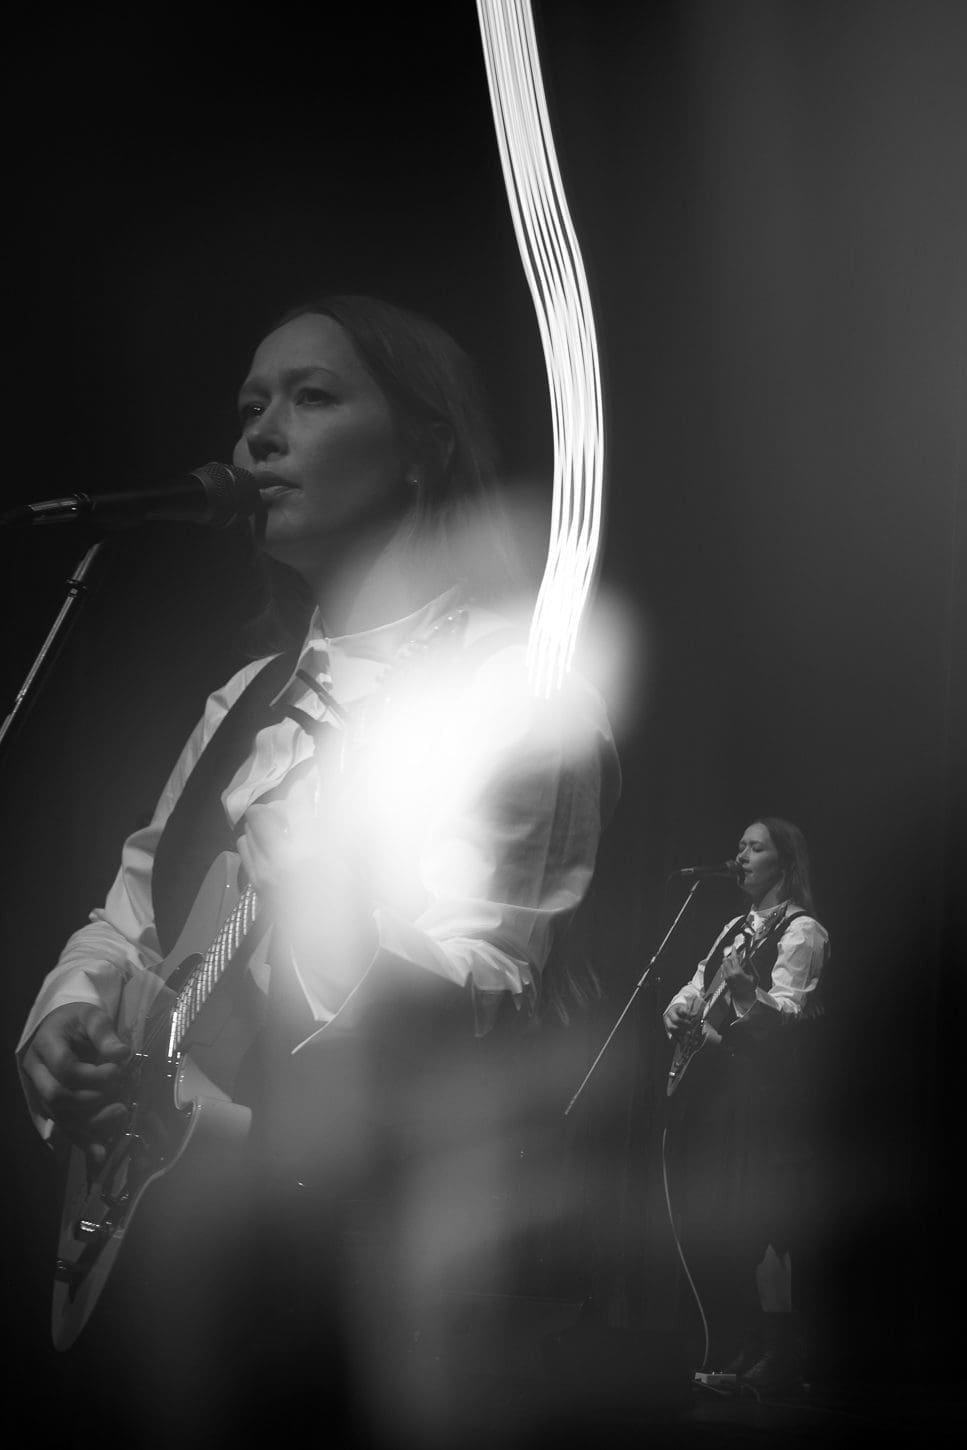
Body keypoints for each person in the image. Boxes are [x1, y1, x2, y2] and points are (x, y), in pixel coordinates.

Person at [17, 295, 619, 1448]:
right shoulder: (240, 701)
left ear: (423, 447)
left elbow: (484, 990)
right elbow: (129, 915)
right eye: (249, 405)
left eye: (313, 395)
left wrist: (319, 913)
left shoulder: (506, 690)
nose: (258, 434)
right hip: (202, 1278)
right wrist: (66, 1021)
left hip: (379, 1293)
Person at [662, 816, 829, 1391]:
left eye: (755, 848)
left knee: (767, 1226)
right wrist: (681, 1009)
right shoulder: (734, 926)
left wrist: (741, 993)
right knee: (732, 1221)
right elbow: (697, 981)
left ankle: (780, 1357)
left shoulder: (803, 932)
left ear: (784, 861)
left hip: (766, 1099)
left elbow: (789, 1017)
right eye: (738, 847)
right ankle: (748, 1348)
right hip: (721, 1097)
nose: (742, 857)